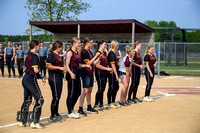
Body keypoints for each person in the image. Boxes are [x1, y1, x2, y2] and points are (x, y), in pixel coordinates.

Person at [17, 40, 45, 129]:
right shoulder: (34, 56)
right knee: (40, 100)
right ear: (35, 46)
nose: (40, 48)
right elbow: (36, 70)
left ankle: (23, 121)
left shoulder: (29, 55)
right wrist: (42, 76)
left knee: (27, 100)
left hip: (26, 78)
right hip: (30, 79)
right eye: (38, 46)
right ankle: (35, 122)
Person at [65, 37, 91, 118]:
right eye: (78, 43)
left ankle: (71, 108)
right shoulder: (70, 52)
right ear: (74, 43)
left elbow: (78, 64)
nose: (79, 44)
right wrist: (71, 73)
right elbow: (66, 65)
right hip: (72, 72)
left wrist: (85, 65)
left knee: (78, 92)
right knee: (71, 92)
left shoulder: (77, 52)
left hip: (77, 72)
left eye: (80, 43)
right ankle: (69, 111)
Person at [77, 37, 102, 116]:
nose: (92, 44)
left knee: (90, 91)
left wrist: (98, 58)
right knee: (85, 91)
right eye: (91, 42)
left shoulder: (89, 51)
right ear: (87, 43)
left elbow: (93, 63)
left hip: (90, 72)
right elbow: (87, 64)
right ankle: (80, 108)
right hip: (85, 73)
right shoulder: (84, 52)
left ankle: (89, 106)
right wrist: (96, 56)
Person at [46, 41, 67, 122]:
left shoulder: (58, 55)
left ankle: (56, 113)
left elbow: (59, 65)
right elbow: (48, 66)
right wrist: (59, 68)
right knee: (56, 96)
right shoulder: (52, 55)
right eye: (61, 47)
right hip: (53, 77)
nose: (62, 49)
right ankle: (52, 115)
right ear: (58, 47)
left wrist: (63, 69)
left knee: (58, 95)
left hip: (58, 77)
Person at [94, 40, 112, 111]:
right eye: (104, 44)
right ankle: (96, 104)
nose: (106, 45)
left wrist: (107, 69)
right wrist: (107, 69)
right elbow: (97, 65)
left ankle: (101, 103)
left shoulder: (103, 53)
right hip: (99, 72)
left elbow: (107, 60)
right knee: (100, 88)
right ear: (100, 45)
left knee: (103, 88)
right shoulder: (98, 53)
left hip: (104, 72)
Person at [107, 40, 121, 109]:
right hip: (112, 73)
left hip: (116, 71)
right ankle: (110, 103)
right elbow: (112, 65)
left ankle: (113, 101)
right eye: (117, 45)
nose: (118, 47)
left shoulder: (114, 53)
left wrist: (117, 64)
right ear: (114, 46)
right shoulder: (111, 53)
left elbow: (115, 63)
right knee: (112, 87)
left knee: (116, 87)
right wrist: (116, 74)